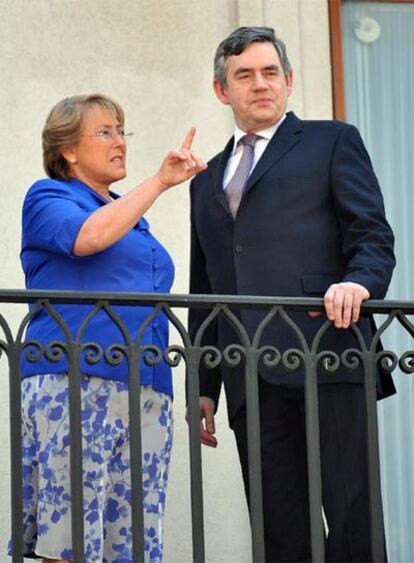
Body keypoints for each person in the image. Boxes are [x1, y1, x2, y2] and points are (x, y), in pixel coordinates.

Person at [188, 27, 396, 562]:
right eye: (245, 75)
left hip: (329, 348)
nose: (260, 84)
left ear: (289, 80)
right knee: (279, 528)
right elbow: (206, 284)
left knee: (353, 519)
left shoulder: (332, 140)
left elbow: (371, 234)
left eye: (270, 72)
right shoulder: (204, 178)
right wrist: (204, 382)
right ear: (222, 90)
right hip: (247, 372)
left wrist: (359, 282)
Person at [13, 94, 206, 563]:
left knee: (134, 542)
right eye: (105, 132)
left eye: (122, 131)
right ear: (68, 150)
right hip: (74, 380)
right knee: (70, 539)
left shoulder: (129, 215)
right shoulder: (49, 196)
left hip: (146, 386)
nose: (119, 141)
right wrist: (160, 182)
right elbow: (88, 238)